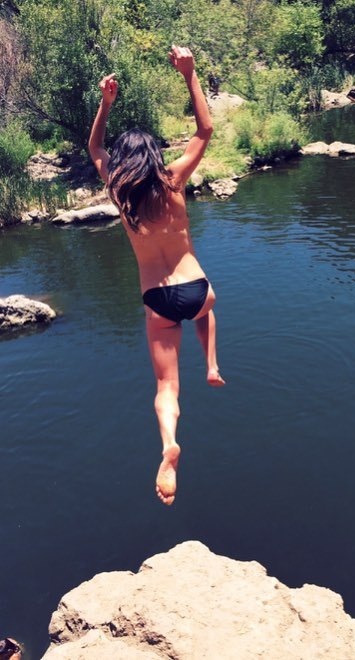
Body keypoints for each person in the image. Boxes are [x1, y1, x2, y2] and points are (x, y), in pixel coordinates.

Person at [88, 45, 225, 507]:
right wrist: (189, 74)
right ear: (153, 154)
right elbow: (205, 130)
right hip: (197, 290)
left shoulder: (118, 190)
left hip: (158, 301)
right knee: (205, 307)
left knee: (166, 386)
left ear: (125, 161)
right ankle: (212, 365)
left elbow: (95, 148)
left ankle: (169, 443)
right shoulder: (174, 179)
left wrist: (105, 104)